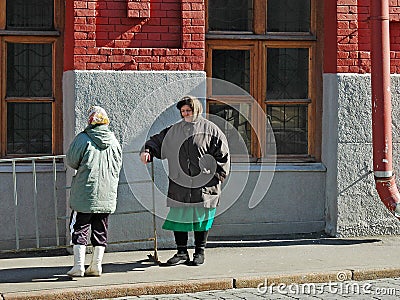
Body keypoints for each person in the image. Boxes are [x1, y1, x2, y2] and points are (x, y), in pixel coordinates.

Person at [140, 96, 230, 266]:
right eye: (182, 111)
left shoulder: (211, 130)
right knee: (178, 218)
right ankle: (181, 252)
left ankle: (199, 252)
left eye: (188, 110)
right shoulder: (174, 130)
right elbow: (156, 141)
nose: (185, 114)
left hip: (204, 185)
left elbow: (223, 156)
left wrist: (216, 176)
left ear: (196, 110)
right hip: (179, 184)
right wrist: (148, 151)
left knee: (201, 219)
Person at [66, 106, 122, 277]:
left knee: (80, 227)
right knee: (101, 229)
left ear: (90, 120)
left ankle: (78, 266)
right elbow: (118, 164)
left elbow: (71, 160)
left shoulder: (83, 138)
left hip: (85, 192)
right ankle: (96, 265)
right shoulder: (113, 140)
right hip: (106, 193)